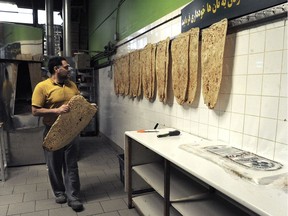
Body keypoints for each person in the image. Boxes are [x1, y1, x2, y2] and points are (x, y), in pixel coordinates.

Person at [31, 56, 83, 211]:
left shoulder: (71, 85)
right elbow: (35, 111)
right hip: (52, 131)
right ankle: (59, 192)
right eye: (66, 67)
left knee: (71, 165)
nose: (69, 69)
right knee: (54, 165)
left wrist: (86, 107)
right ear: (56, 69)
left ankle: (73, 196)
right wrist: (56, 110)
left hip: (71, 130)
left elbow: (78, 101)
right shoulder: (42, 87)